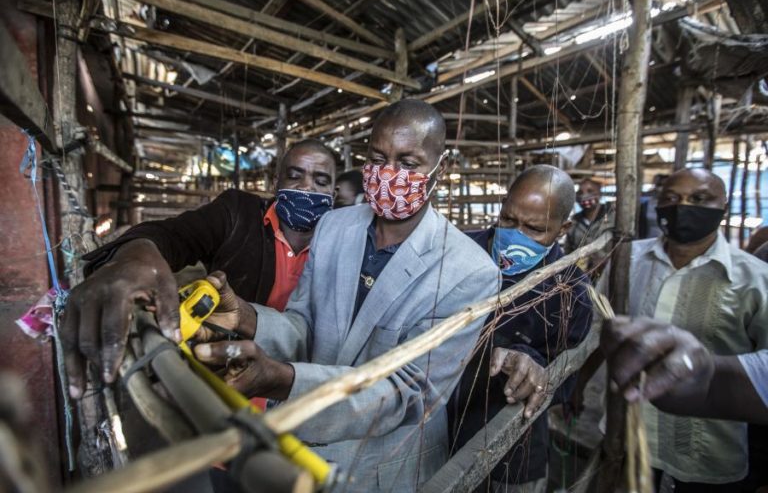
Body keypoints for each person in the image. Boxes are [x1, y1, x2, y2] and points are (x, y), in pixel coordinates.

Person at [64, 100, 500, 492]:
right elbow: (304, 323)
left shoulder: (468, 271)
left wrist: (279, 379)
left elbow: (408, 395)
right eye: (378, 158)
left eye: (408, 162)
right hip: (293, 446)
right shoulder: (336, 227)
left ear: (439, 167)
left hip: (379, 470)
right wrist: (249, 320)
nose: (389, 174)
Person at [62, 139, 337, 397]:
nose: (306, 187)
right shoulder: (237, 213)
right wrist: (136, 254)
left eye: (320, 180)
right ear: (275, 182)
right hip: (227, 377)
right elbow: (175, 235)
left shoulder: (346, 244)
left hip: (303, 385)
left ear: (334, 194)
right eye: (294, 175)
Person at [624, 168, 768, 492]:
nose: (683, 206)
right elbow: (601, 325)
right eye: (672, 198)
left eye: (699, 199)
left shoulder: (756, 280)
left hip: (710, 452)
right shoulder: (629, 259)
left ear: (723, 207)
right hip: (634, 436)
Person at [451, 165, 593, 492]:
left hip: (511, 446)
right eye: (508, 220)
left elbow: (565, 378)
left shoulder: (572, 292)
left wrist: (532, 364)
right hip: (439, 427)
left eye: (534, 228)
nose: (516, 234)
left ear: (563, 228)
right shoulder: (460, 253)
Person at [601, 316, 768, 425]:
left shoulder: (755, 279)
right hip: (627, 425)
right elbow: (713, 385)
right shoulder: (639, 264)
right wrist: (698, 372)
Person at [564, 178, 614, 277]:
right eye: (580, 192)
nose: (584, 195)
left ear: (599, 194)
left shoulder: (613, 217)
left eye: (590, 191)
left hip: (610, 275)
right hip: (582, 278)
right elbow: (568, 251)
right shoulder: (574, 222)